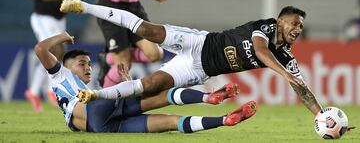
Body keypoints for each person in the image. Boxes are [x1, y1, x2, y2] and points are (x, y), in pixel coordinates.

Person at [59, 0, 323, 116]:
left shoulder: (286, 57)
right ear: (280, 21)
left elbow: (303, 91)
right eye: (293, 24)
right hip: (198, 43)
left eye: (300, 27)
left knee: (149, 87)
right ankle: (85, 7)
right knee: (148, 30)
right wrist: (285, 74)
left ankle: (95, 95)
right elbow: (259, 51)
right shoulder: (265, 26)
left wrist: (322, 117)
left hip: (198, 69)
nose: (297, 30)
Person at [34, 31, 257, 133]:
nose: (88, 67)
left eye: (89, 64)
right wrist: (62, 36)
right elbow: (41, 49)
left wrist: (128, 86)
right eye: (82, 63)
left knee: (171, 123)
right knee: (160, 95)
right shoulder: (60, 74)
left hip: (102, 127)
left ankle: (224, 120)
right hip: (94, 113)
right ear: (66, 65)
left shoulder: (83, 89)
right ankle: (207, 97)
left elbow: (91, 110)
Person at [16, 0, 83, 112]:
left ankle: (37, 91)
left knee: (56, 52)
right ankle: (44, 91)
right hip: (41, 16)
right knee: (55, 50)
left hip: (60, 17)